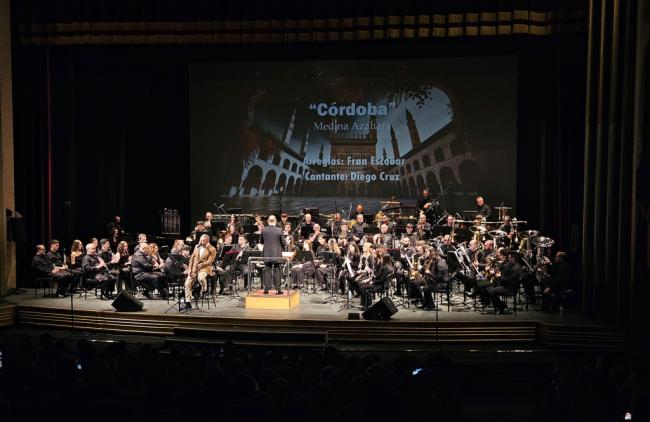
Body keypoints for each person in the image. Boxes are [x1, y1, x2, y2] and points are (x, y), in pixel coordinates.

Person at [183, 234, 216, 309]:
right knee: (187, 283)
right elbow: (192, 258)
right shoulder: (196, 247)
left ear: (207, 240)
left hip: (204, 268)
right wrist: (189, 270)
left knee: (200, 278)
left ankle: (204, 289)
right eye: (201, 240)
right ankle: (188, 302)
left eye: (203, 240)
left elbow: (210, 261)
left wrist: (201, 265)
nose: (201, 241)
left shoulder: (212, 249)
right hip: (194, 269)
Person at [486, 250, 522, 314]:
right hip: (508, 286)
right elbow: (506, 278)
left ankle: (501, 308)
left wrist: (499, 276)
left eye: (509, 258)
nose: (508, 260)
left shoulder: (515, 268)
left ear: (513, 258)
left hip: (510, 288)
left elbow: (506, 280)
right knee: (488, 288)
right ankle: (501, 305)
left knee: (491, 291)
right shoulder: (515, 265)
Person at [261, 215, 287, 294]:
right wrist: (286, 242)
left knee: (267, 270)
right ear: (275, 221)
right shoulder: (279, 230)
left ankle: (266, 289)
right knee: (277, 270)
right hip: (277, 254)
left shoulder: (263, 230)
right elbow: (284, 243)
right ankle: (278, 289)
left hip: (267, 254)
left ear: (268, 221)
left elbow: (261, 242)